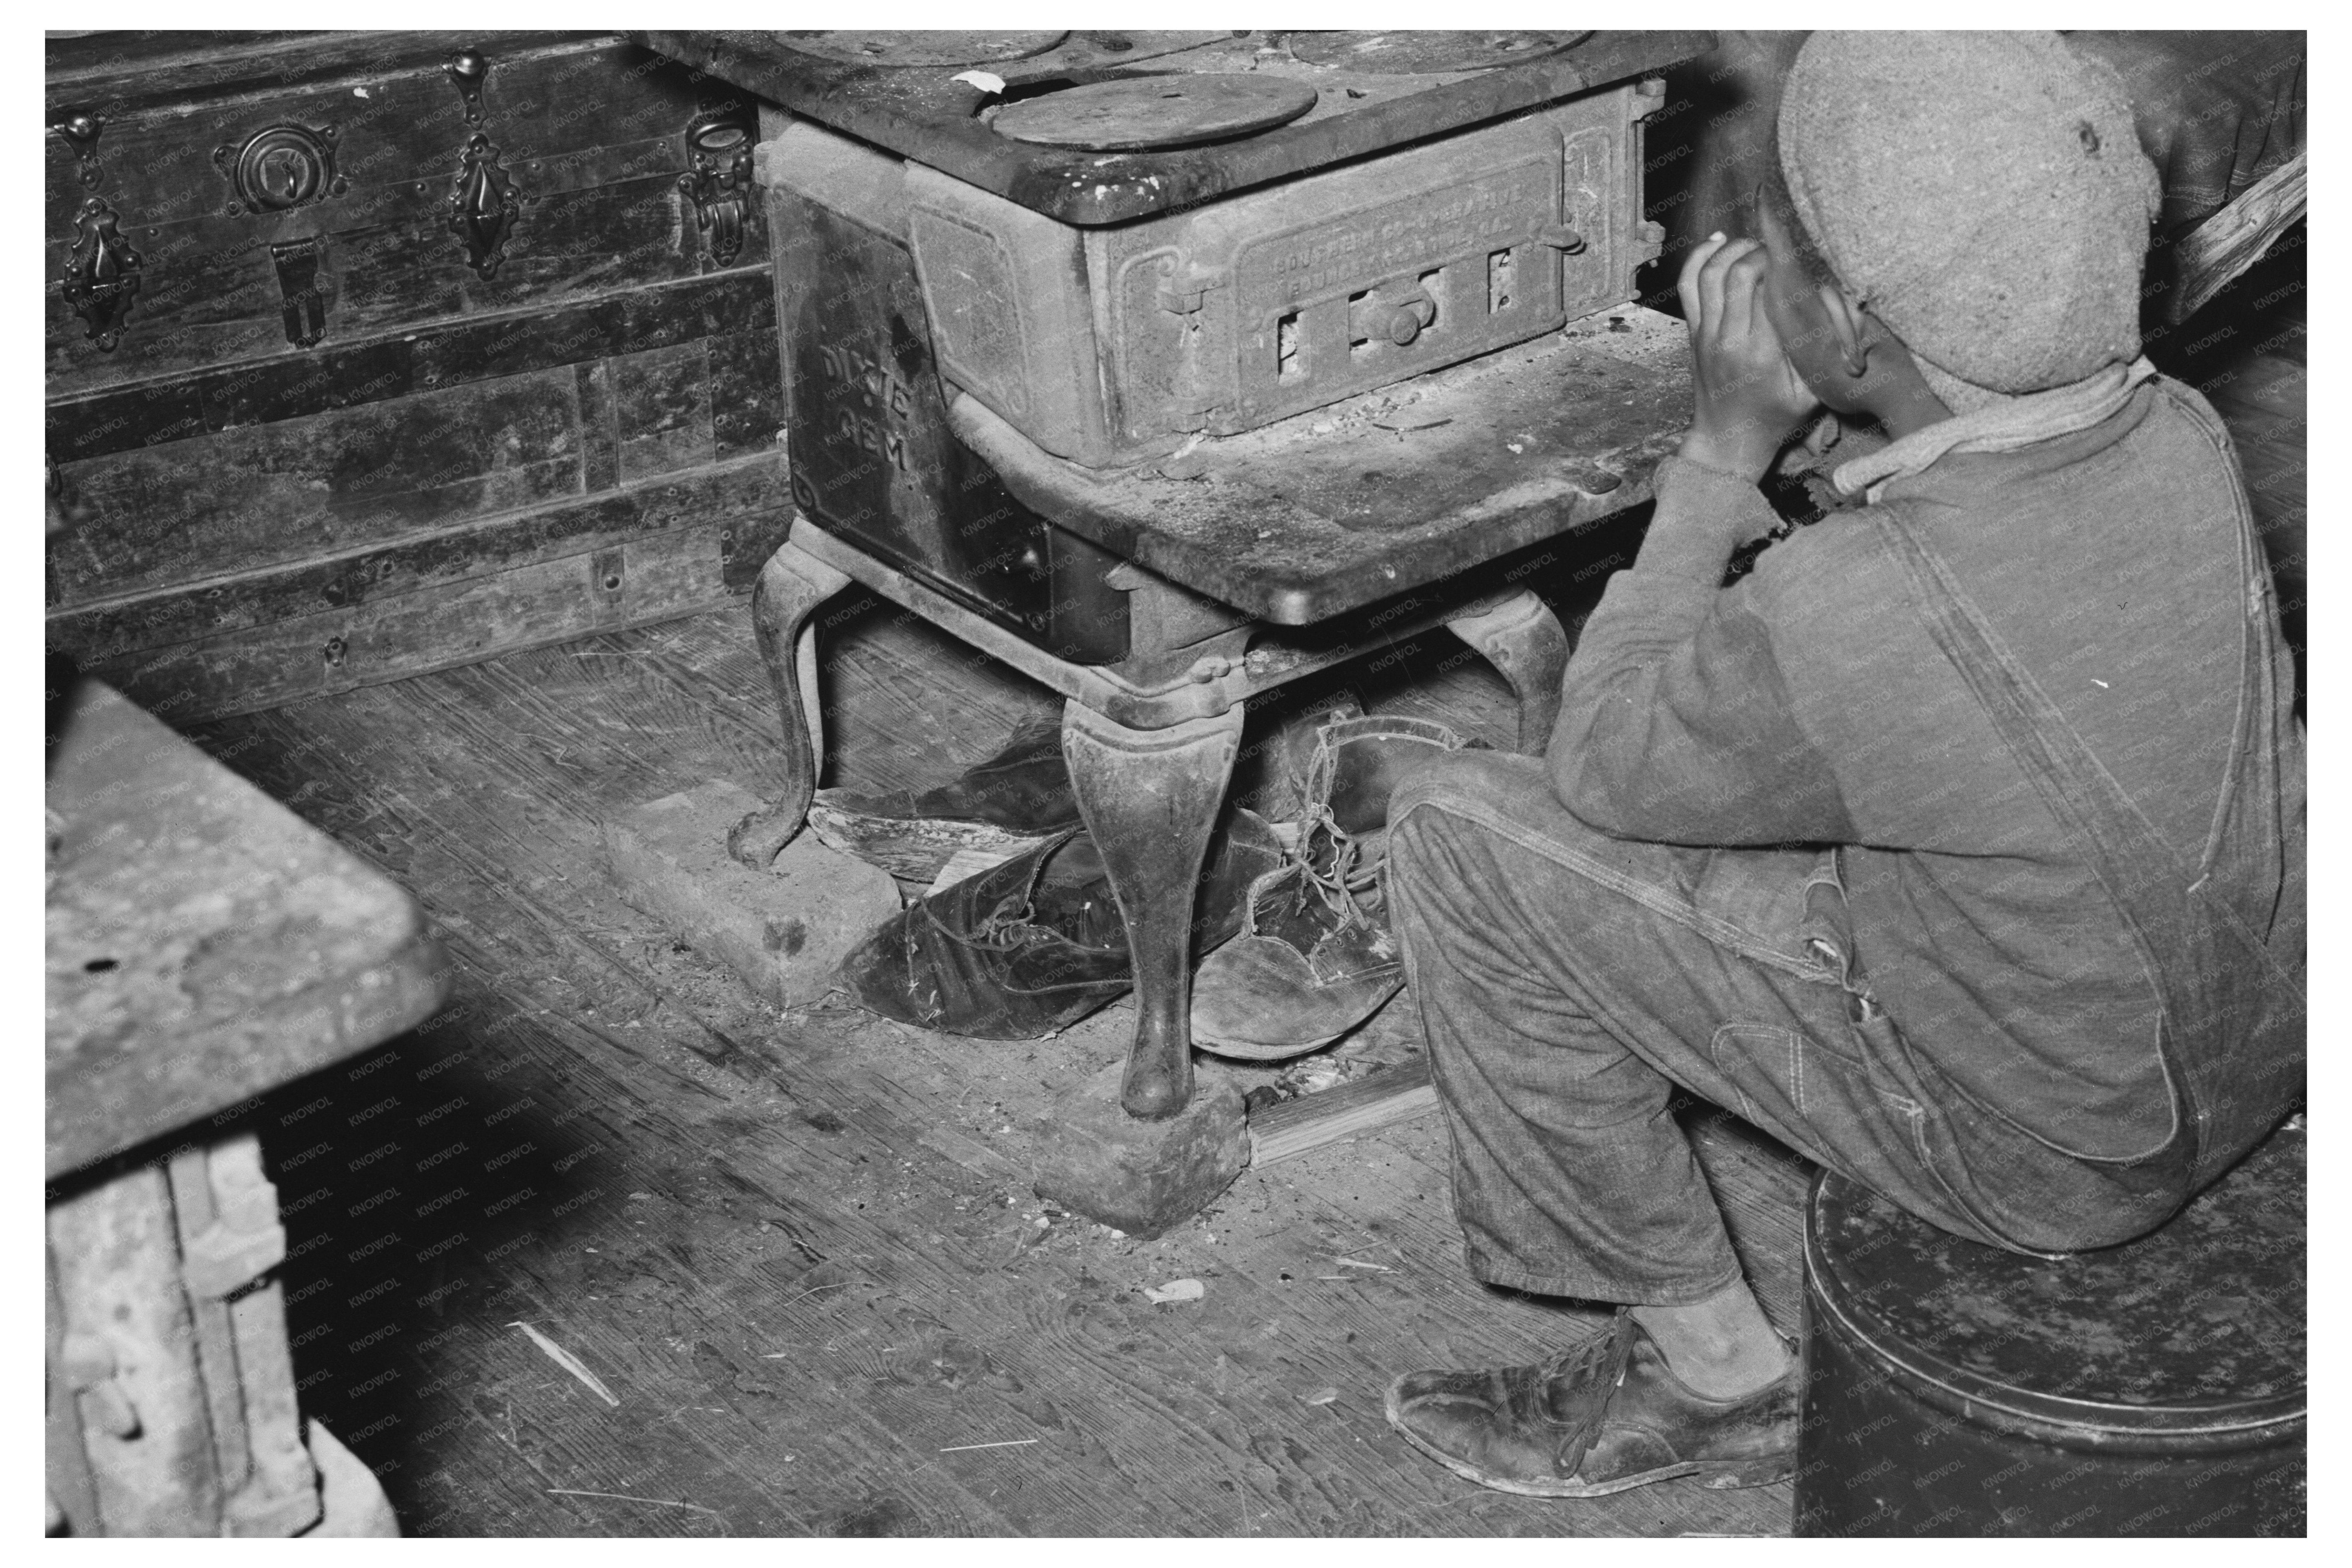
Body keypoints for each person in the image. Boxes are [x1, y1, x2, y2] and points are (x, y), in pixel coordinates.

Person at [1379, 30, 2305, 1499]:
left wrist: (1717, 460)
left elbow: (1603, 765)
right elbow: (1949, 638)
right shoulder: (2180, 434)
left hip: (2044, 1157)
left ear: (1852, 339)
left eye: (1781, 257)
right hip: (2240, 1050)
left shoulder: (1855, 611)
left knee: (1457, 833)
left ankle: (1711, 1375)